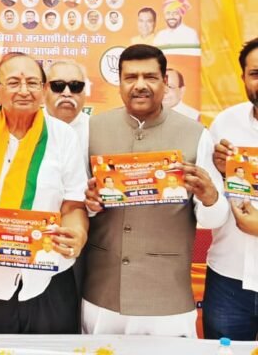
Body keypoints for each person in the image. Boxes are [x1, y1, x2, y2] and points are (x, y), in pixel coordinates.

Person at [83, 44, 229, 337]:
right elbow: (76, 204)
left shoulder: (196, 134)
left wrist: (210, 197)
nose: (140, 85)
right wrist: (90, 203)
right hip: (102, 290)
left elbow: (214, 219)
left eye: (150, 77)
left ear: (165, 82)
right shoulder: (91, 129)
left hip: (167, 295)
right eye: (130, 77)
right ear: (119, 83)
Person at [0, 53, 88, 334]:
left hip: (48, 275)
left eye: (33, 83)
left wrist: (77, 233)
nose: (24, 91)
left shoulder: (63, 136)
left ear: (44, 89)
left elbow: (73, 204)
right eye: (14, 82)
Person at [206, 37, 258, 341]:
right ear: (243, 78)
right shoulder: (225, 124)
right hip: (228, 277)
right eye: (256, 74)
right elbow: (209, 196)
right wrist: (217, 169)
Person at [43, 59, 89, 167]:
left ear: (84, 91)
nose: (67, 93)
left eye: (75, 86)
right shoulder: (30, 126)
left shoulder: (95, 129)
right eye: (58, 85)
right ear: (44, 89)